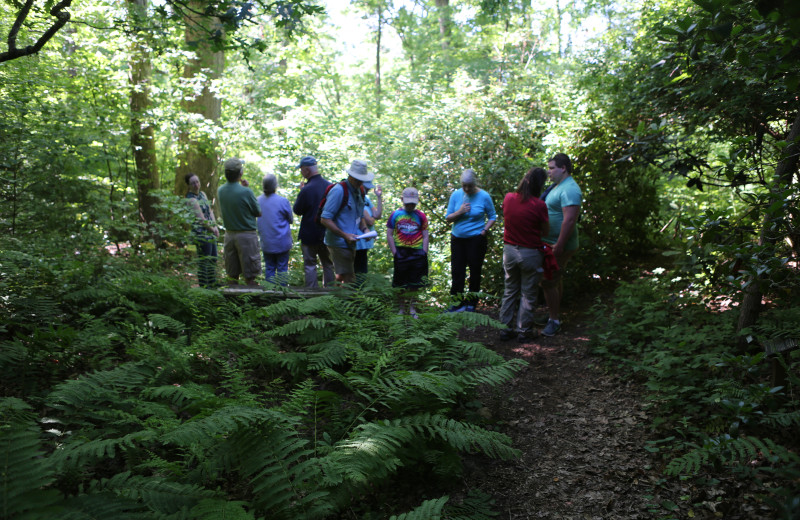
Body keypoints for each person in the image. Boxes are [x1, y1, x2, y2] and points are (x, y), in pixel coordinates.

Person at [498, 168, 549, 341]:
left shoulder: (509, 198)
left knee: (510, 290)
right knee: (528, 292)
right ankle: (523, 331)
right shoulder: (539, 205)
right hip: (530, 252)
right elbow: (545, 230)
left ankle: (504, 329)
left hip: (510, 250)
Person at [540, 153, 582, 337]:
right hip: (551, 242)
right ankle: (553, 313)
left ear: (563, 168)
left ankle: (554, 320)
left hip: (559, 244)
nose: (549, 172)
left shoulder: (570, 189)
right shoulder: (559, 187)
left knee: (548, 281)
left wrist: (559, 244)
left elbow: (570, 219)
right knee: (555, 279)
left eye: (551, 168)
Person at [445, 168, 497, 312]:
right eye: (464, 186)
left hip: (476, 240)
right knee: (457, 271)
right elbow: (448, 218)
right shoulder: (456, 195)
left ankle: (471, 303)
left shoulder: (484, 196)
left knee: (475, 271)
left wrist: (484, 231)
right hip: (458, 239)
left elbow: (493, 216)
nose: (467, 189)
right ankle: (456, 302)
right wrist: (460, 212)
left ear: (475, 183)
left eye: (470, 185)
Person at [319, 159, 374, 285]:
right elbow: (325, 219)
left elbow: (359, 215)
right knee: (347, 278)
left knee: (345, 278)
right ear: (350, 176)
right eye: (357, 179)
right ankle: (342, 302)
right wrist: (345, 235)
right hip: (338, 242)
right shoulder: (338, 191)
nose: (359, 182)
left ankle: (342, 301)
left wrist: (365, 230)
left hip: (351, 242)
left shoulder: (359, 192)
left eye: (361, 179)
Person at [217, 158, 262, 286]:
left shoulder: (221, 190)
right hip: (247, 236)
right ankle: (253, 304)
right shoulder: (246, 192)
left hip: (229, 235)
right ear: (240, 173)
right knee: (251, 276)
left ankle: (232, 304)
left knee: (232, 275)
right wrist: (247, 189)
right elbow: (258, 212)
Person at [293, 156, 335, 288]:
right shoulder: (331, 187)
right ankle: (329, 294)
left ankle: (311, 295)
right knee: (328, 264)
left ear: (306, 170)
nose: (301, 172)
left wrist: (302, 192)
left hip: (309, 233)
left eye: (301, 169)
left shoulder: (306, 189)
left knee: (310, 265)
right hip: (327, 232)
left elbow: (297, 210)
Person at [386, 187, 428, 318]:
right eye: (407, 203)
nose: (410, 206)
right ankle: (401, 308)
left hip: (417, 252)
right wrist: (395, 253)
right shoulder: (395, 215)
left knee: (414, 282)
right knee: (400, 283)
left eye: (413, 203)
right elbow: (389, 234)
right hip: (401, 252)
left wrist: (424, 252)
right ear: (402, 200)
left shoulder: (421, 216)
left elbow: (426, 235)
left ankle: (412, 307)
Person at [257, 173, 293, 286]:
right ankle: (282, 296)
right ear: (275, 185)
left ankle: (270, 294)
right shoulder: (283, 201)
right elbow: (290, 219)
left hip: (266, 242)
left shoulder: (257, 201)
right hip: (282, 242)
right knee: (282, 269)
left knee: (269, 268)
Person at [184, 173, 219, 288]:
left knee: (213, 259)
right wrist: (212, 229)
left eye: (197, 182)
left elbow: (210, 211)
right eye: (193, 183)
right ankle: (205, 287)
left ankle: (213, 284)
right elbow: (201, 219)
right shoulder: (191, 199)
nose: (196, 185)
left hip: (211, 231)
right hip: (201, 234)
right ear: (189, 185)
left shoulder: (203, 194)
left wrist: (215, 226)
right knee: (204, 261)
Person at [354, 181, 383, 278]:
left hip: (365, 241)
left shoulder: (366, 198)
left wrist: (379, 197)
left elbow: (377, 215)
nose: (368, 190)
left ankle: (360, 290)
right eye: (366, 188)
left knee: (362, 269)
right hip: (357, 240)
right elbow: (370, 221)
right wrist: (370, 217)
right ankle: (356, 291)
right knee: (357, 270)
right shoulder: (356, 198)